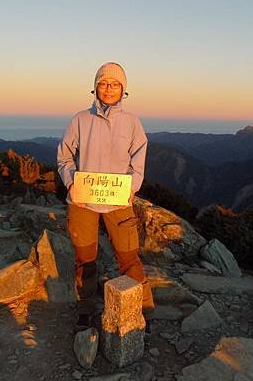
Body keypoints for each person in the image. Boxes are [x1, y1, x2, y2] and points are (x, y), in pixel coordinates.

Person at [57, 62, 154, 327]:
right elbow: (64, 157)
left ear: (124, 89)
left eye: (115, 84)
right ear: (95, 87)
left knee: (128, 257)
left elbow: (138, 164)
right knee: (85, 259)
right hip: (82, 201)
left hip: (118, 202)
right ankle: (85, 310)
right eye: (103, 83)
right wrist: (70, 184)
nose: (109, 88)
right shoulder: (80, 119)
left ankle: (141, 308)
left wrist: (130, 189)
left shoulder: (132, 123)